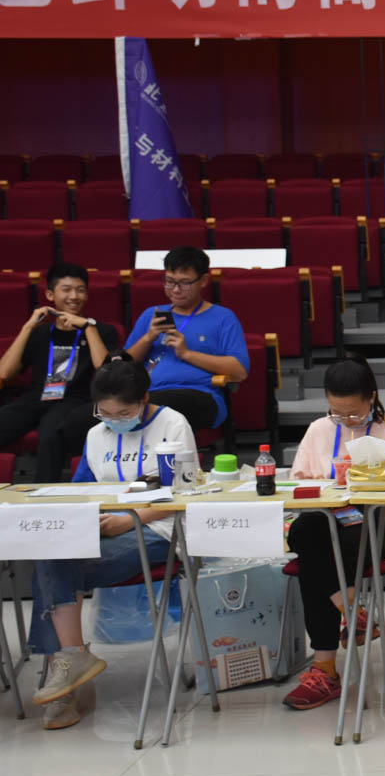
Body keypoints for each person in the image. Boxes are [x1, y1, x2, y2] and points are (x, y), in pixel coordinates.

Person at [28, 354, 192, 730]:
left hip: (159, 530)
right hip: (105, 530)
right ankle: (71, 660)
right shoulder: (95, 435)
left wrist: (127, 520)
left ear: (144, 399)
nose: (114, 420)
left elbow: (183, 493)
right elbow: (79, 492)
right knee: (49, 554)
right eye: (105, 413)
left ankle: (65, 678)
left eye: (124, 413)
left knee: (52, 571)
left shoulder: (172, 424)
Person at [281, 356, 385, 711]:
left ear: (372, 397)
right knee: (306, 531)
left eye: (354, 415)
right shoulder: (319, 429)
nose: (345, 421)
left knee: (314, 555)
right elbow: (298, 483)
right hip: (328, 518)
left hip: (374, 522)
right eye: (337, 414)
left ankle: (325, 669)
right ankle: (350, 609)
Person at [0, 263, 120, 481]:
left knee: (50, 434)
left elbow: (107, 371)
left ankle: (45, 495)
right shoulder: (39, 333)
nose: (74, 296)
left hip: (76, 399)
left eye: (80, 290)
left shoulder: (103, 330)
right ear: (50, 294)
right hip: (36, 398)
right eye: (66, 289)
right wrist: (27, 328)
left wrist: (88, 327)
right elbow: (4, 373)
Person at [124, 246, 249, 433]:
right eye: (169, 282)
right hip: (148, 393)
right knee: (94, 413)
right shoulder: (151, 314)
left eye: (184, 283)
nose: (175, 289)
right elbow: (124, 365)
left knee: (146, 407)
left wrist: (187, 354)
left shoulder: (223, 318)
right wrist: (148, 337)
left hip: (200, 394)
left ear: (203, 280)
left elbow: (239, 371)